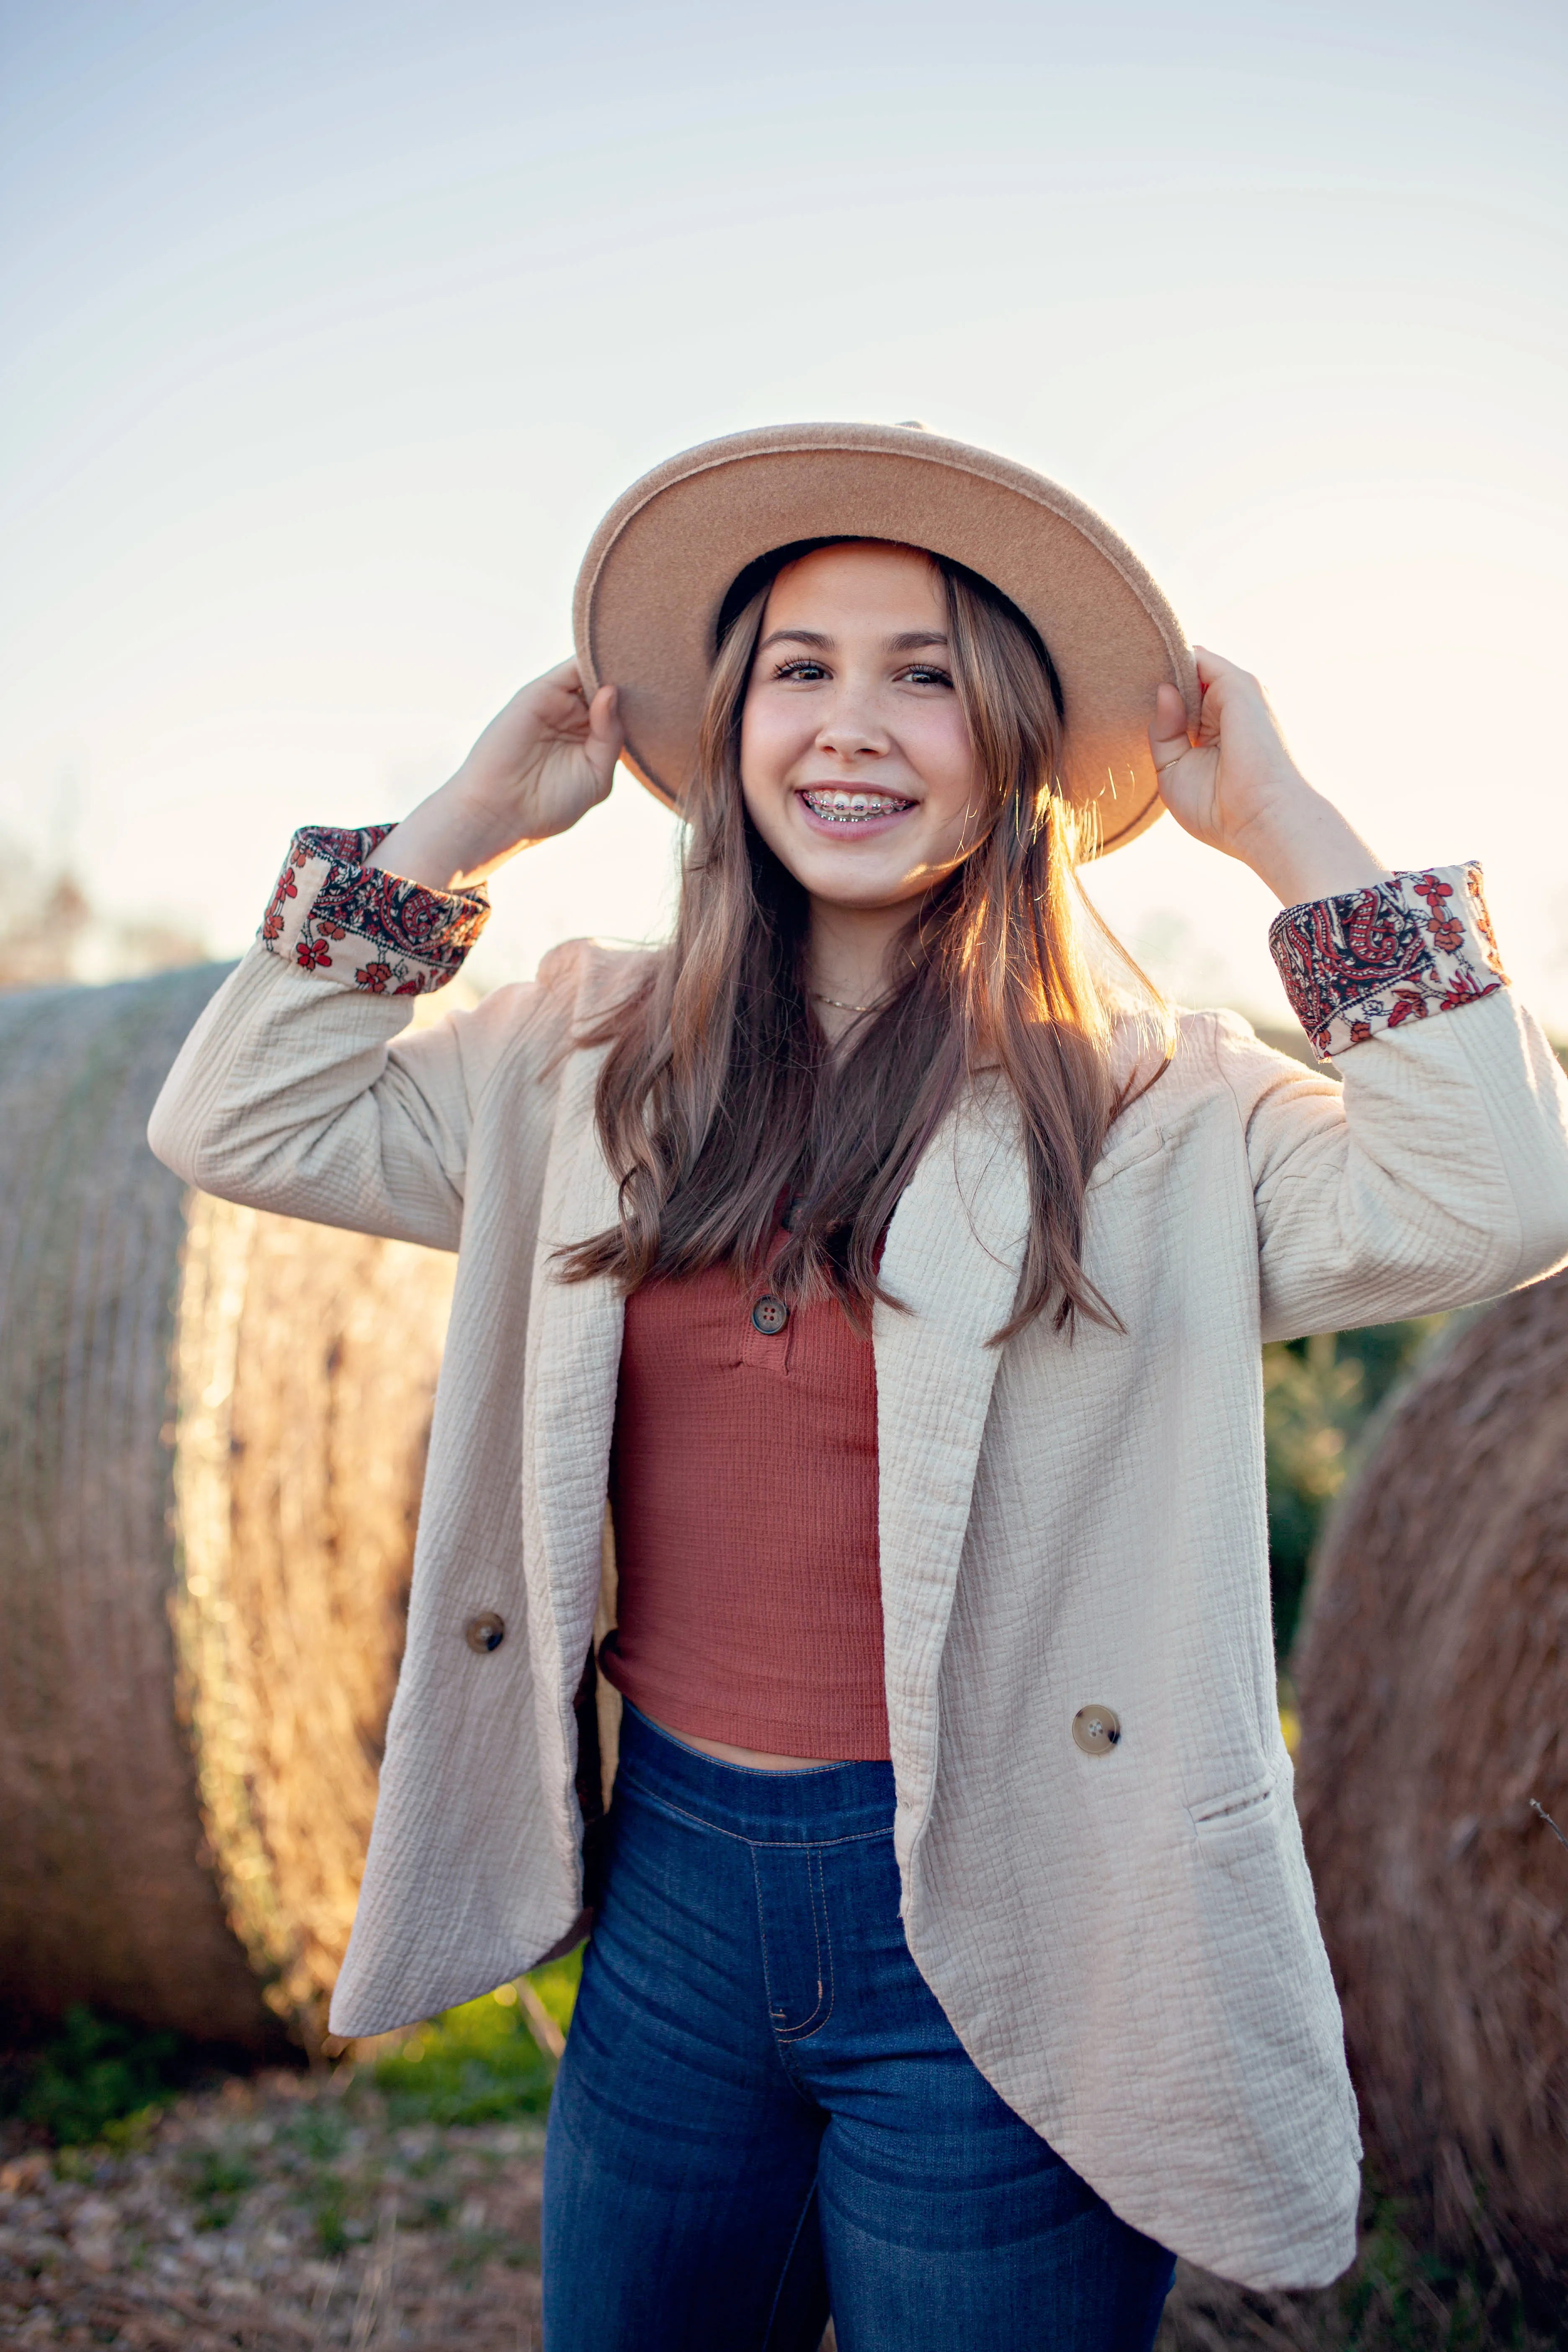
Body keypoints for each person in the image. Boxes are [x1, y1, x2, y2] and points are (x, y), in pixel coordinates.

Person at [149, 423, 1568, 2351]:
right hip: (668, 1908)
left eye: (925, 677)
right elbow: (240, 1114)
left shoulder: (1152, 1115)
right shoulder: (583, 1058)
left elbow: (1501, 1196)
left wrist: (1286, 824)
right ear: (731, 730)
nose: (853, 726)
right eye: (800, 670)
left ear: (1009, 749)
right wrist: (464, 818)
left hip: (1022, 1930)